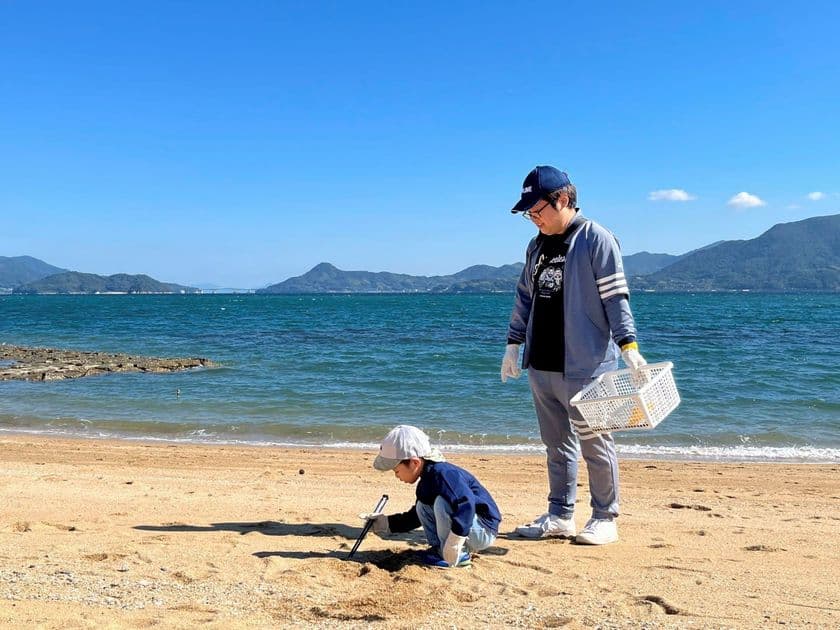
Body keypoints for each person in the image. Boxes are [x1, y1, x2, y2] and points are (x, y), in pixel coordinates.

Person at [501, 165, 647, 545]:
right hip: (542, 363)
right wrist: (514, 344)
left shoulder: (596, 238)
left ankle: (604, 517)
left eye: (537, 210)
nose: (533, 218)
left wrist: (628, 345)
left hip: (586, 365)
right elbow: (524, 297)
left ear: (562, 199)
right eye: (528, 214)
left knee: (595, 443)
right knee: (556, 446)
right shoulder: (536, 245)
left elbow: (616, 296)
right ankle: (560, 514)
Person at [360, 424, 501, 568]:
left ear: (414, 462)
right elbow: (415, 517)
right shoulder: (426, 479)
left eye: (396, 471)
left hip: (484, 529)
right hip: (470, 527)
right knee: (423, 506)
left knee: (441, 502)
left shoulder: (443, 474)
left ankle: (458, 556)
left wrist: (454, 542)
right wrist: (386, 523)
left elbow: (466, 504)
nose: (397, 476)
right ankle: (439, 550)